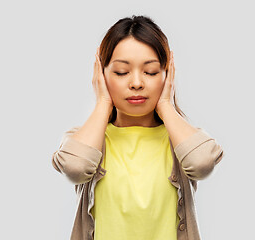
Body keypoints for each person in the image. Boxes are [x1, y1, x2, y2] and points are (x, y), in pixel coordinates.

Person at [52, 15, 224, 240]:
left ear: (167, 75)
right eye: (121, 72)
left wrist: (165, 104)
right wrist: (103, 102)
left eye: (151, 72)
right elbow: (76, 167)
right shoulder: (87, 140)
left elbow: (202, 163)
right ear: (101, 75)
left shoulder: (181, 140)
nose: (136, 83)